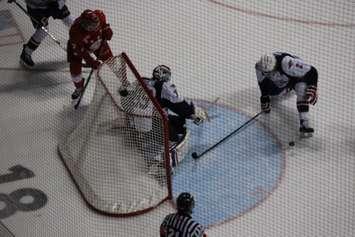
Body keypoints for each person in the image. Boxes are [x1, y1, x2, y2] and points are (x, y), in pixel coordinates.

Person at [255, 52, 318, 135]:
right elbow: (262, 83)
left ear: (275, 65)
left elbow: (312, 71)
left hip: (297, 76)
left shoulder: (287, 63)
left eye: (270, 71)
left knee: (302, 91)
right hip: (284, 77)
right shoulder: (259, 67)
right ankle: (289, 87)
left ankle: (304, 123)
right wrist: (264, 97)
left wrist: (313, 86)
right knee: (273, 93)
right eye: (266, 73)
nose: (268, 74)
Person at [145, 65, 208, 142]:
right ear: (162, 75)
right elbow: (177, 103)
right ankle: (160, 141)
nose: (168, 77)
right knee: (176, 138)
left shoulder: (144, 81)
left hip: (140, 118)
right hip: (156, 120)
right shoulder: (164, 87)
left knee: (180, 122)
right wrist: (192, 113)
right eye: (167, 75)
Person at [8, 0, 74, 68]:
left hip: (55, 3)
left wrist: (58, 5)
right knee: (42, 32)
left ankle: (80, 43)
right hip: (36, 9)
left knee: (71, 22)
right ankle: (26, 53)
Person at [67, 9, 113, 99]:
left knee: (111, 62)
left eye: (96, 25)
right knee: (75, 72)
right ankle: (79, 87)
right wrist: (91, 62)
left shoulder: (99, 15)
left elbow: (104, 25)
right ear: (84, 24)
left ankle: (121, 82)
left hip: (96, 41)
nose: (95, 27)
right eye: (91, 26)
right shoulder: (75, 32)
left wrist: (107, 30)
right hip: (78, 47)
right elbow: (81, 51)